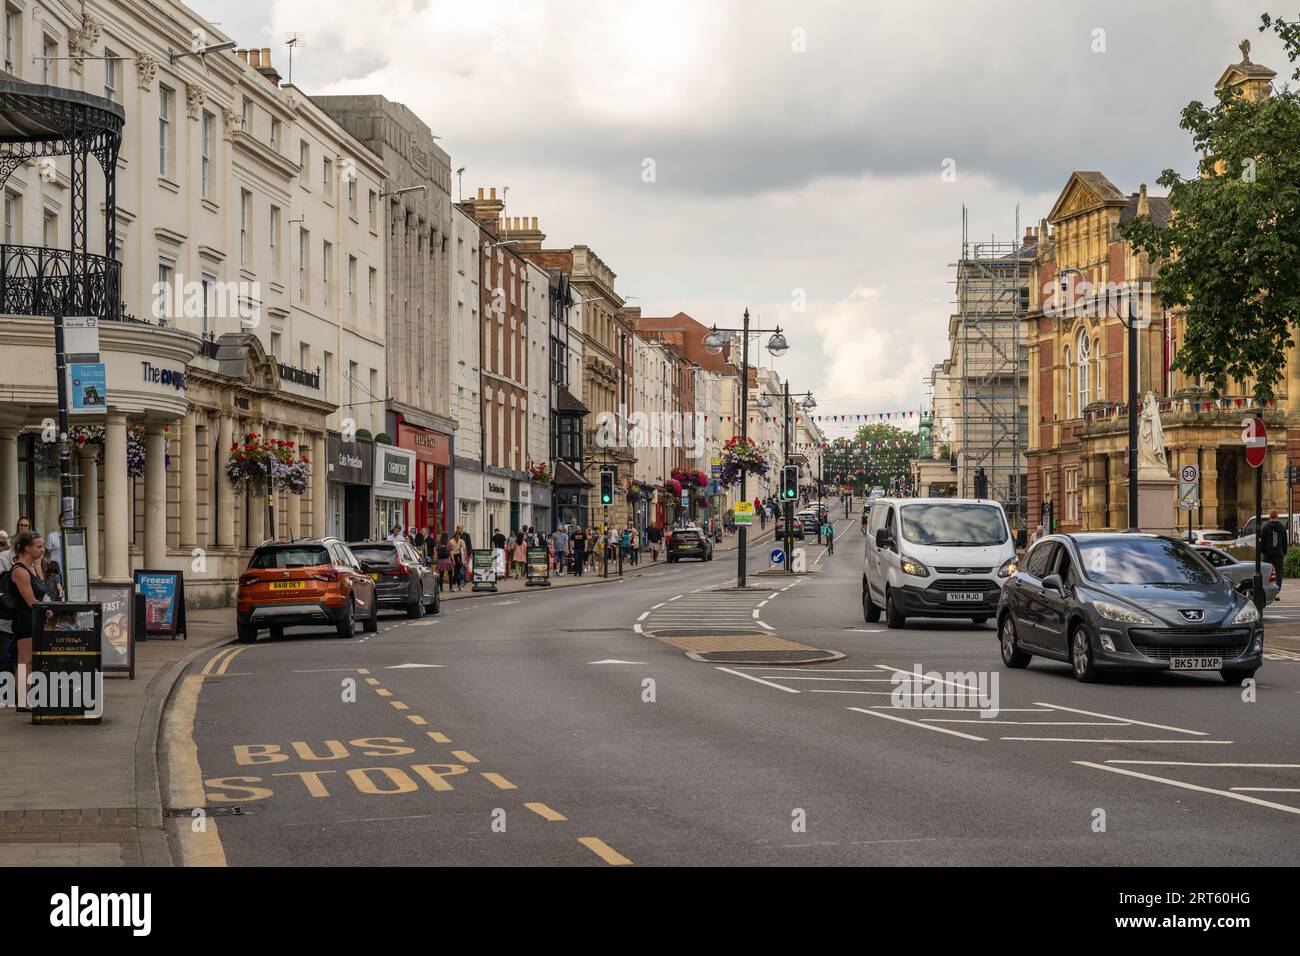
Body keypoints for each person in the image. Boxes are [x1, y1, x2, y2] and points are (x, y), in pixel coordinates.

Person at [5, 531, 47, 712]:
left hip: (34, 619)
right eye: (38, 546)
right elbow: (31, 602)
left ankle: (27, 697)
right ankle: (22, 701)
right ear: (27, 548)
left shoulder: (32, 566)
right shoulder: (20, 570)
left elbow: (42, 590)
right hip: (26, 620)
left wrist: (38, 566)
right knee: (25, 661)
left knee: (31, 662)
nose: (42, 549)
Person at [1260, 509, 1288, 594]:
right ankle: (1277, 592)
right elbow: (1284, 542)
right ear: (1277, 516)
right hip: (1278, 553)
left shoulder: (1265, 527)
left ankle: (1267, 591)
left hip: (1268, 554)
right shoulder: (1282, 527)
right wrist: (1284, 552)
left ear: (1269, 516)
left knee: (1267, 572)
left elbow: (1262, 542)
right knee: (1278, 573)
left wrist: (1263, 552)